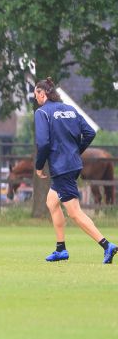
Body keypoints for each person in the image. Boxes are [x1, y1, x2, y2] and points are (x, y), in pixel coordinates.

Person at [32, 78, 116, 264]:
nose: (35, 98)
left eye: (35, 94)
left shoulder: (42, 113)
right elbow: (90, 133)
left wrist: (38, 166)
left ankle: (106, 245)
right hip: (73, 164)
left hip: (61, 168)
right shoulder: (69, 109)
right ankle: (61, 249)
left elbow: (43, 143)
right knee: (52, 202)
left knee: (74, 213)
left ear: (42, 93)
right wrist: (75, 151)